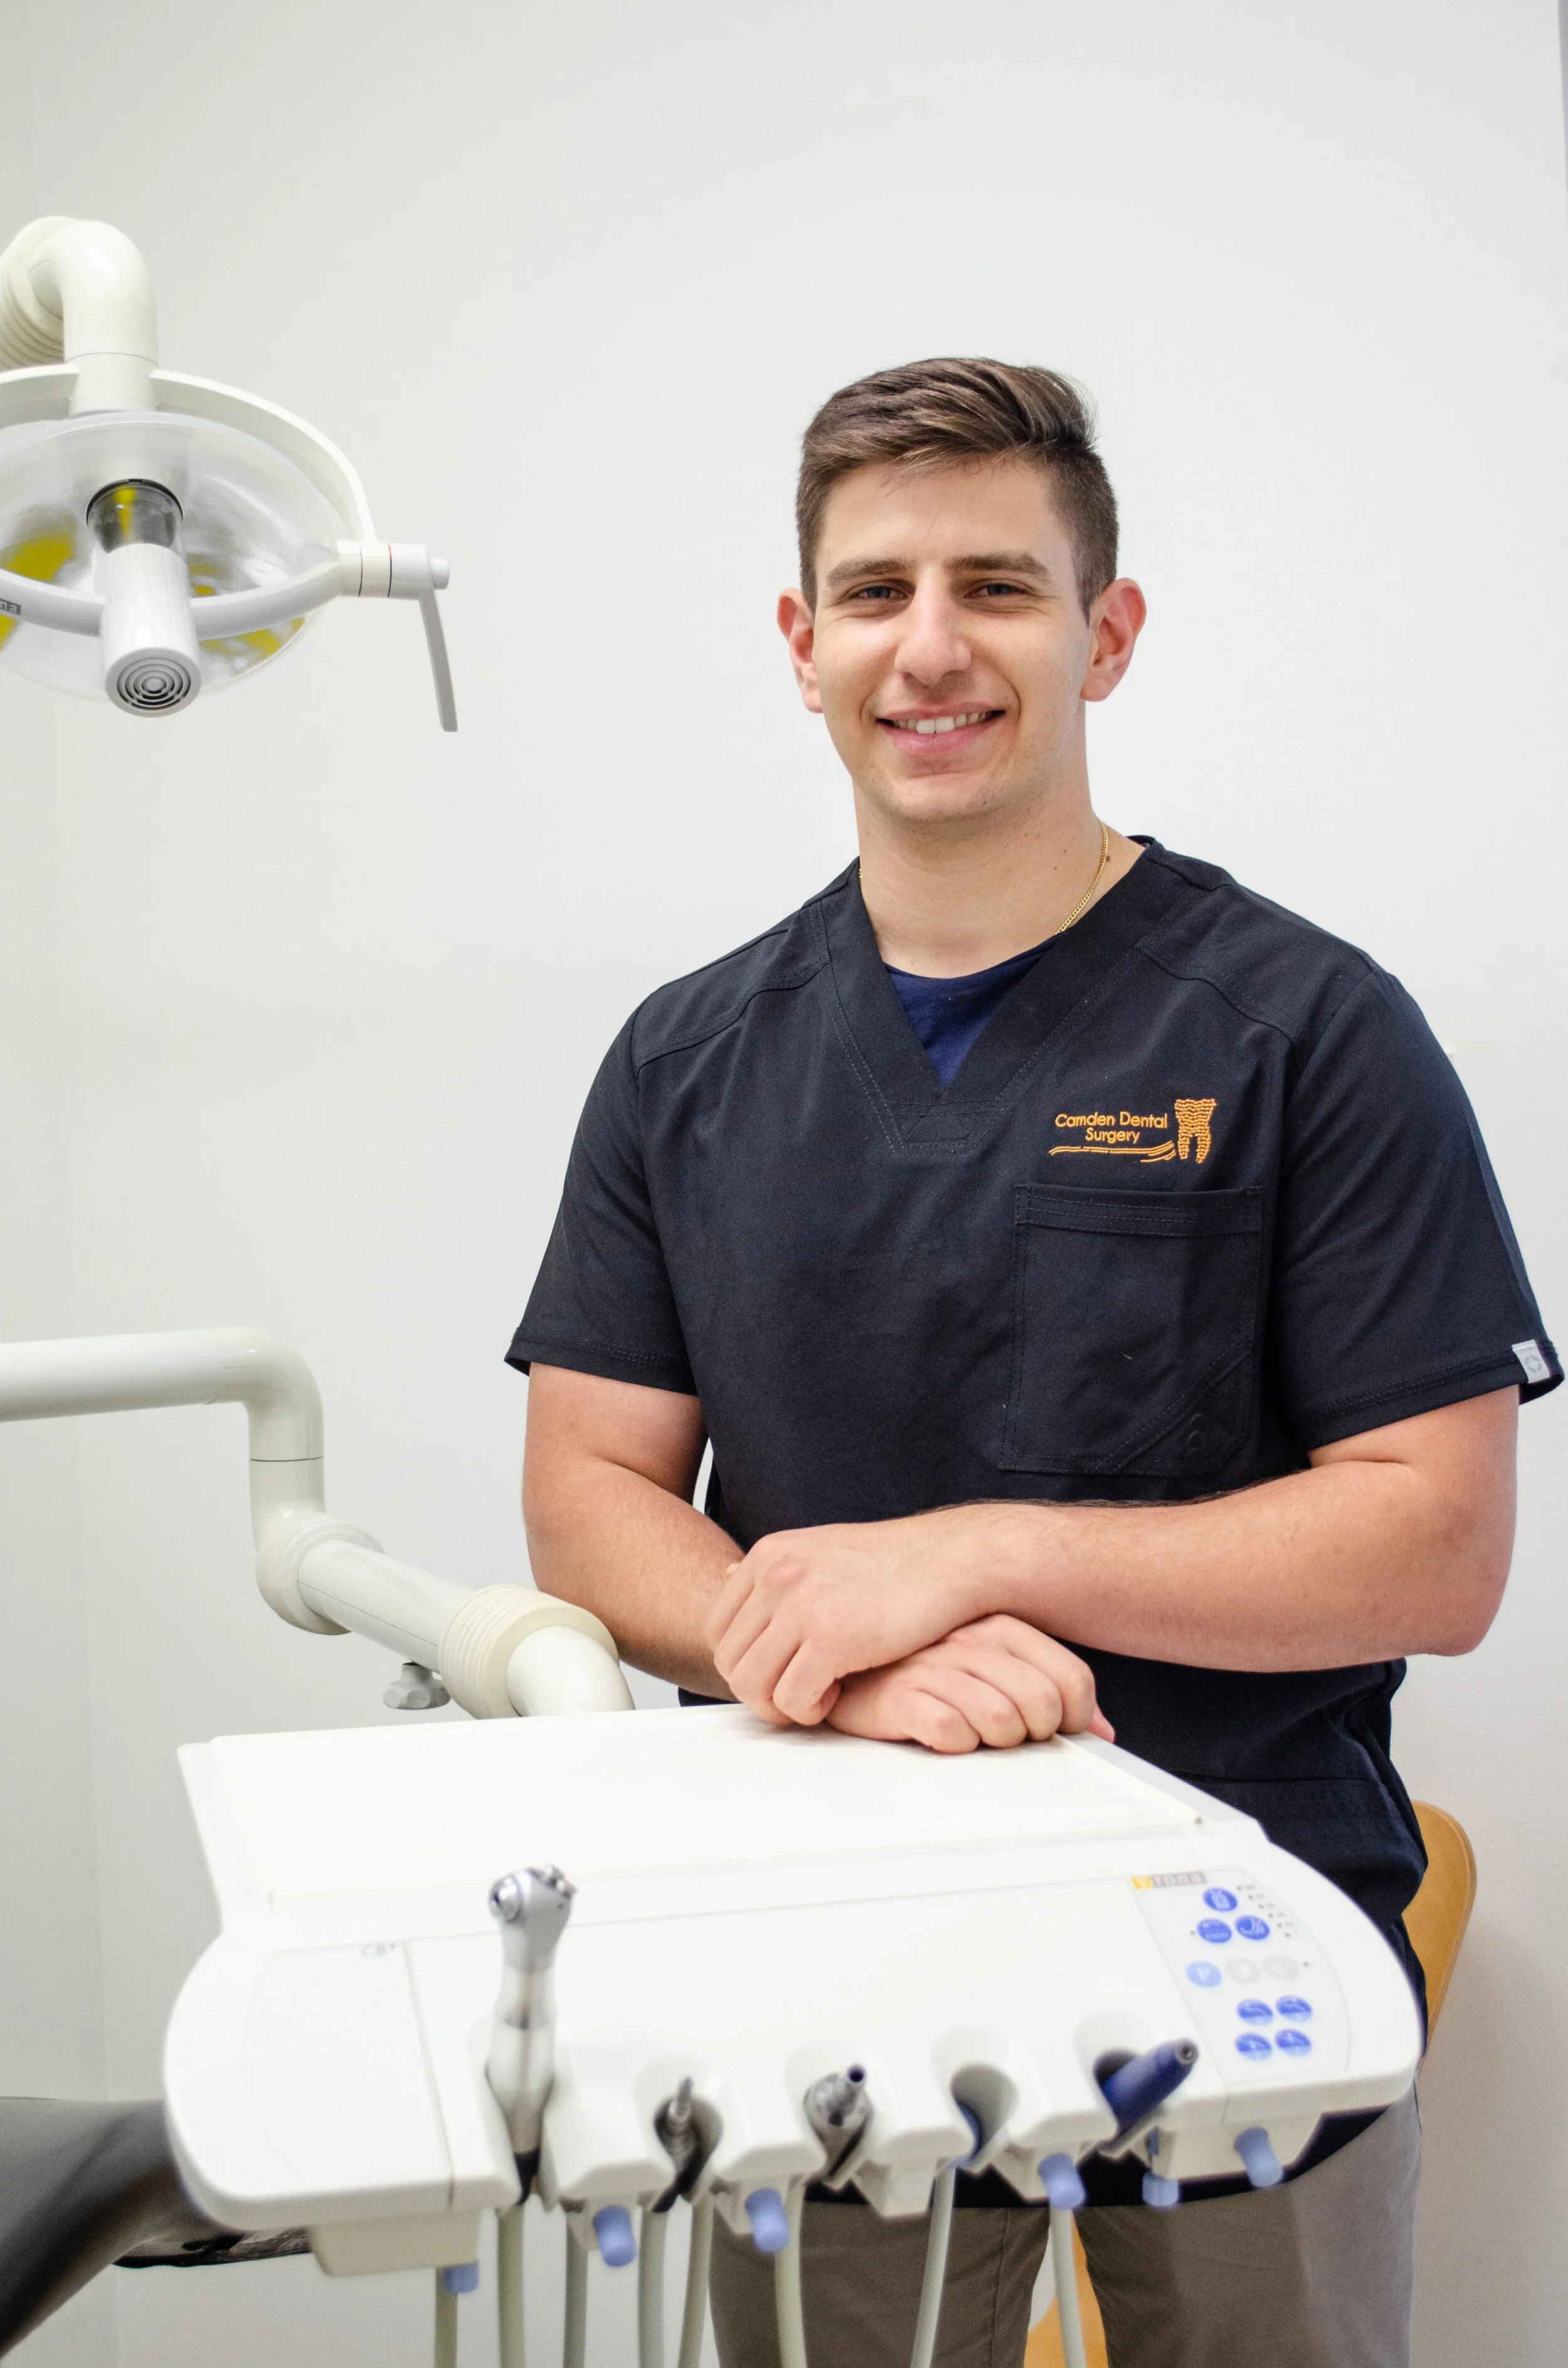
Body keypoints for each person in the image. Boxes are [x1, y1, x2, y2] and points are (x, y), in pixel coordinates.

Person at [507, 358, 1558, 2368]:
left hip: (1239, 1930)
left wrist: (969, 1550)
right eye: (876, 589)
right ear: (800, 643)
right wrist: (841, 1648)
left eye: (996, 584)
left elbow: (1434, 1545)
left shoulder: (1304, 1028)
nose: (932, 645)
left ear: (1106, 631)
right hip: (818, 1924)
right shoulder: (688, 1057)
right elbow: (585, 1491)